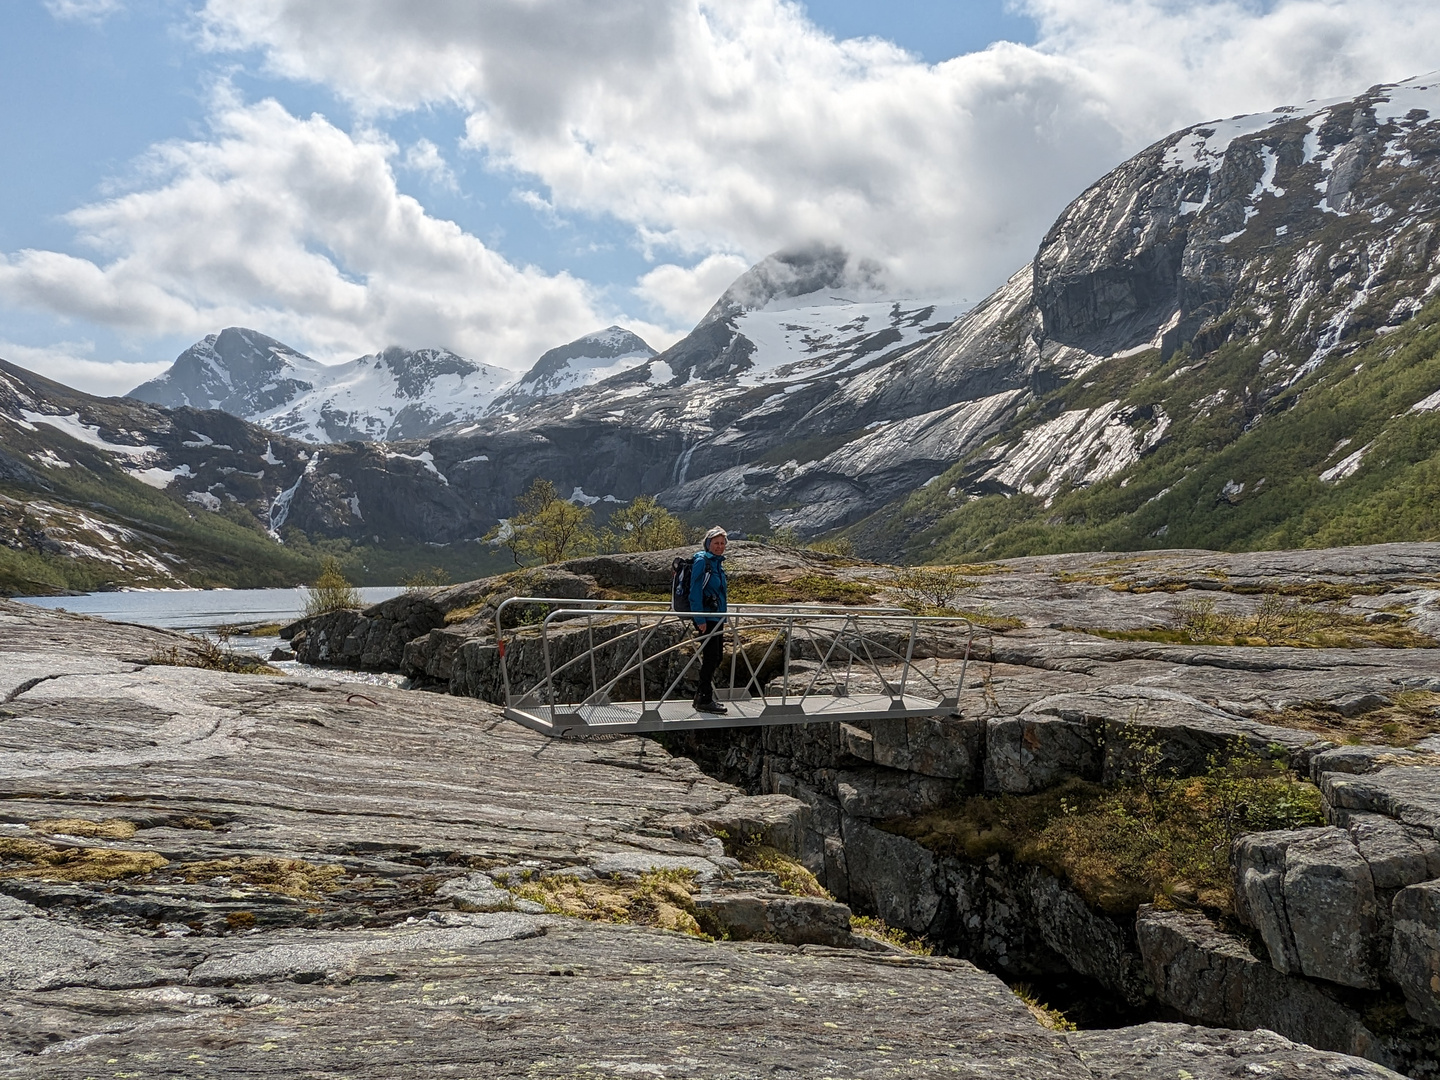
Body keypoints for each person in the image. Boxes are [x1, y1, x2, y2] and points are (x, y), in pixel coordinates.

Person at [689, 525, 729, 714]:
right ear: (708, 544)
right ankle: (704, 699)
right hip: (707, 618)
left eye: (722, 543)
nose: (719, 546)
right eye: (716, 543)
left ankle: (701, 696)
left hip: (717, 617)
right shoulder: (702, 562)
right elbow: (694, 591)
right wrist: (699, 618)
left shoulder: (716, 563)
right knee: (711, 657)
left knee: (716, 657)